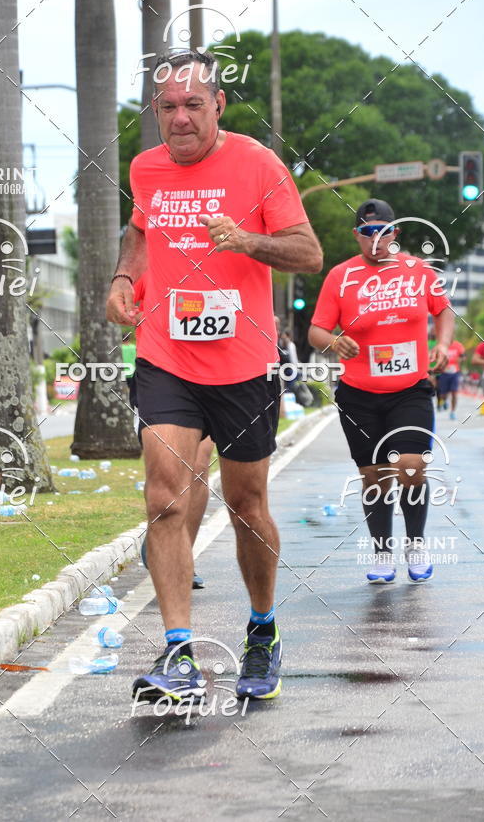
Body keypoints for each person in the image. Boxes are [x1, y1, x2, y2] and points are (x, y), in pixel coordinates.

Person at [106, 49, 322, 701]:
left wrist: (248, 241)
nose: (179, 118)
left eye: (192, 105)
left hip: (243, 365)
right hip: (167, 355)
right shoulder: (146, 168)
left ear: (218, 105)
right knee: (165, 496)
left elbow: (309, 253)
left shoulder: (257, 164)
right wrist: (124, 277)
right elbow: (141, 230)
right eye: (167, 107)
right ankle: (178, 656)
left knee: (247, 503)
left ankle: (262, 629)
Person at [308, 198, 453, 584]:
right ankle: (382, 553)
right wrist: (335, 341)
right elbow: (316, 329)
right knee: (375, 478)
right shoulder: (340, 276)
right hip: (359, 393)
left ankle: (416, 545)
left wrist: (442, 344)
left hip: (410, 389)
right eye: (367, 232)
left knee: (411, 466)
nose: (376, 238)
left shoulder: (419, 270)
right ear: (357, 236)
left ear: (395, 233)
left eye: (383, 230)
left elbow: (443, 310)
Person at [130, 274, 209, 589]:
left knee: (199, 468)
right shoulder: (152, 260)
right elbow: (123, 302)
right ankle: (162, 533)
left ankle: (182, 554)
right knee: (169, 467)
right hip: (163, 373)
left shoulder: (225, 252)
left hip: (217, 372)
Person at [436, 340, 465, 419]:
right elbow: (436, 357)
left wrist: (460, 359)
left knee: (454, 393)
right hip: (444, 373)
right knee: (443, 394)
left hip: (455, 372)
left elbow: (463, 356)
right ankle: (444, 401)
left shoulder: (458, 345)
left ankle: (452, 411)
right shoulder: (441, 345)